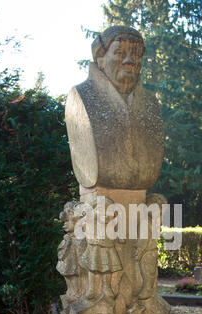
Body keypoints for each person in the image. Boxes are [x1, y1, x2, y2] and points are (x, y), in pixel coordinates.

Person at [65, 25, 163, 191]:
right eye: (119, 53)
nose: (129, 60)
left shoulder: (150, 103)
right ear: (101, 59)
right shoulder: (81, 96)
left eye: (136, 54)